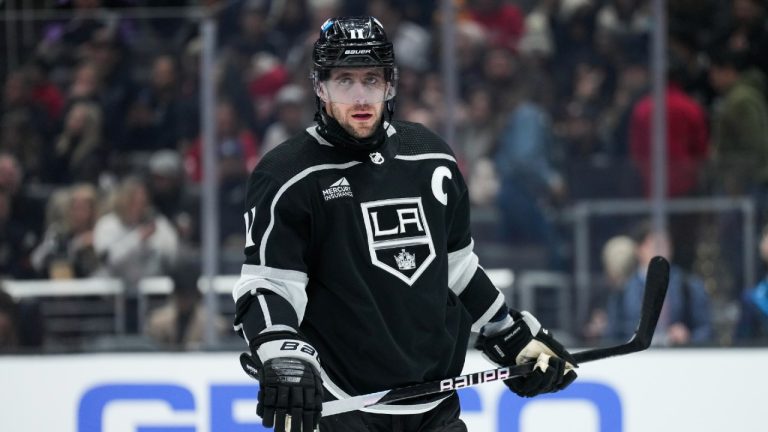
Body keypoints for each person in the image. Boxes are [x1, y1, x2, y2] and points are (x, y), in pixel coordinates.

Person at [232, 16, 577, 432]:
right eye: (344, 81)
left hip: (435, 408)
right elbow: (269, 284)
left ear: (390, 84)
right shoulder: (288, 174)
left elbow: (456, 268)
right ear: (320, 87)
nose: (361, 96)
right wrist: (280, 351)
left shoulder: (429, 156)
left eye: (371, 79)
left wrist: (509, 332)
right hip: (344, 408)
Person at [605, 222, 713, 346]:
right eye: (655, 245)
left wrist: (688, 337)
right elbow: (611, 336)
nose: (661, 250)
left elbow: (706, 330)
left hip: (677, 354)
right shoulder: (623, 292)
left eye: (665, 244)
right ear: (639, 249)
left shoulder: (688, 286)